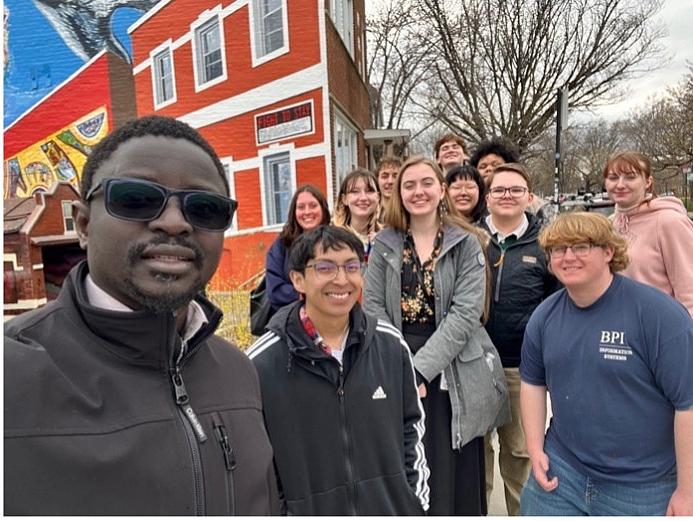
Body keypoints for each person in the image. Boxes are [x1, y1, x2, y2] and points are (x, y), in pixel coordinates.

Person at [4, 116, 280, 515]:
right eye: (135, 198)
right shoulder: (11, 376)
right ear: (82, 224)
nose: (174, 222)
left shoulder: (239, 371)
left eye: (204, 208)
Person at [248, 225, 430, 515]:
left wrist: (414, 501)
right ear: (298, 279)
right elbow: (256, 460)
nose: (341, 279)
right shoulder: (262, 363)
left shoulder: (390, 346)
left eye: (351, 266)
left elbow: (412, 425)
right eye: (325, 267)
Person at [363, 156, 510, 516]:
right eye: (408, 185)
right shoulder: (384, 244)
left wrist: (420, 370)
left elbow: (465, 315)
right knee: (410, 462)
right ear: (398, 193)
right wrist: (400, 367)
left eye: (426, 183)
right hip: (396, 358)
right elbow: (372, 308)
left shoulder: (467, 243)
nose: (418, 192)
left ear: (441, 189)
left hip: (453, 366)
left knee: (452, 470)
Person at [520, 212, 693, 516]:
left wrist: (687, 491)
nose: (568, 257)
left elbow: (688, 405)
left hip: (643, 486)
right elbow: (533, 382)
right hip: (562, 474)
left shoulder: (658, 316)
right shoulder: (544, 316)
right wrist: (534, 448)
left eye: (581, 247)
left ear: (609, 252)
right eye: (558, 249)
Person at [480, 163, 560, 515]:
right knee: (474, 457)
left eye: (515, 190)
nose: (507, 196)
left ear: (529, 197)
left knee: (519, 457)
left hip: (521, 370)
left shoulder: (546, 244)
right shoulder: (469, 240)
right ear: (488, 198)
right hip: (474, 370)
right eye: (499, 190)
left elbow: (558, 306)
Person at [604, 151, 693, 315]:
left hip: (662, 330)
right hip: (620, 332)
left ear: (648, 181)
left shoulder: (669, 222)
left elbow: (689, 292)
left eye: (630, 177)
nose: (620, 184)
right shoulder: (609, 225)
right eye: (613, 177)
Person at [265, 184, 330, 312]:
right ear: (294, 212)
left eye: (313, 206)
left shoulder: (335, 242)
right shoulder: (282, 244)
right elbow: (274, 288)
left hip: (329, 316)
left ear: (323, 209)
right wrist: (308, 296)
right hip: (289, 318)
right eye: (301, 207)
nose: (307, 212)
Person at [333, 168, 381, 262]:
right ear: (344, 199)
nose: (363, 197)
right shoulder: (333, 239)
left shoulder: (387, 237)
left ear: (378, 197)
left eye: (369, 190)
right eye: (355, 191)